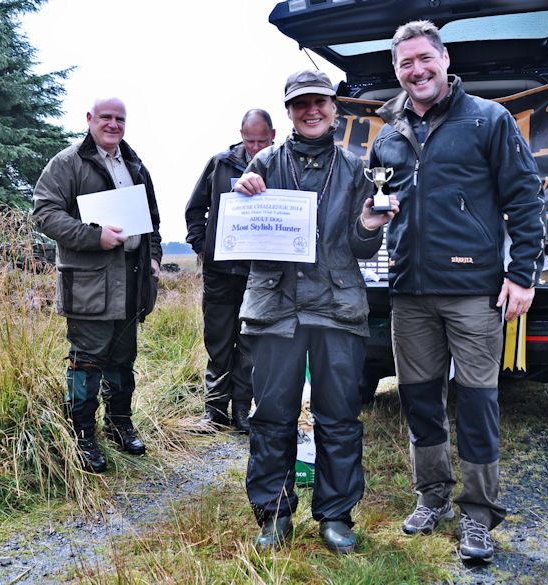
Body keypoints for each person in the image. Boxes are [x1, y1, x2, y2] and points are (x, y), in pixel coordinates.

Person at [369, 21, 546, 563]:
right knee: (419, 400)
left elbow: (526, 197)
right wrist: (373, 219)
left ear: (444, 60)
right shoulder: (387, 133)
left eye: (424, 59)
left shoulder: (487, 120)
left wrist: (521, 274)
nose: (416, 71)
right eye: (405, 64)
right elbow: (378, 204)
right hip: (409, 293)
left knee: (476, 403)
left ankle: (478, 515)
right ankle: (432, 497)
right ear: (396, 71)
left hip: (473, 292)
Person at [233, 69, 399, 554]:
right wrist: (243, 199)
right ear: (288, 111)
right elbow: (241, 237)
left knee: (340, 416)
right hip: (275, 311)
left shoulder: (355, 168)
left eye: (320, 103)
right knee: (272, 417)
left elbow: (364, 248)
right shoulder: (261, 163)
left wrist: (370, 224)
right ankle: (274, 515)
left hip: (336, 310)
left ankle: (335, 514)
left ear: (334, 108)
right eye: (300, 103)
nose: (311, 111)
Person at [33, 97, 162, 474]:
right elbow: (44, 212)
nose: (113, 124)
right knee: (87, 362)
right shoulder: (67, 162)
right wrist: (94, 237)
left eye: (120, 118)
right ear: (89, 118)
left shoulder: (135, 163)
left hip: (132, 282)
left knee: (124, 360)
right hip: (89, 283)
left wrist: (153, 257)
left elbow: (152, 218)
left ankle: (120, 425)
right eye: (105, 117)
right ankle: (83, 437)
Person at [185, 109, 276, 434]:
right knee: (218, 341)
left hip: (259, 273)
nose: (254, 148)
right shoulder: (220, 163)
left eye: (261, 141)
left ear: (273, 136)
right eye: (249, 140)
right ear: (240, 135)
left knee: (249, 344)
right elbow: (195, 208)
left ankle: (242, 411)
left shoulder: (279, 164)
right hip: (220, 271)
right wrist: (201, 246)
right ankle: (213, 412)